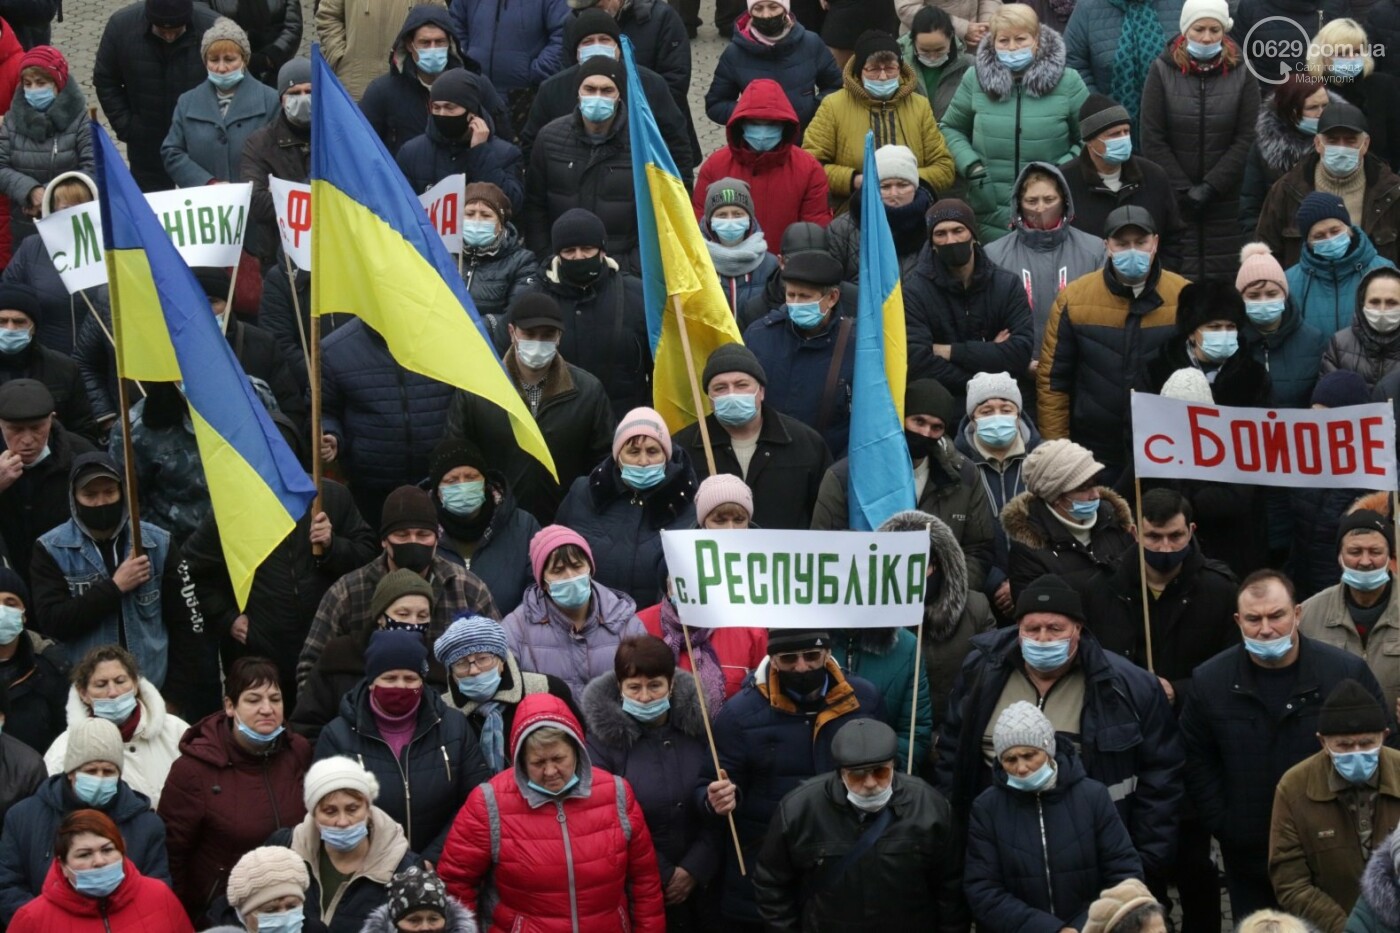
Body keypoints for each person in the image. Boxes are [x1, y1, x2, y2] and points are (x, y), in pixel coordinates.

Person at [935, 574, 1181, 887]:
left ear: (1078, 629)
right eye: (1032, 629)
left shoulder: (1127, 687)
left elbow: (1161, 775)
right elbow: (951, 754)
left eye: (1055, 628)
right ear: (1018, 630)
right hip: (1002, 855)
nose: (1043, 639)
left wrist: (1144, 862)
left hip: (1093, 858)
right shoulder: (980, 673)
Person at [1182, 569, 1394, 918]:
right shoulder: (1210, 682)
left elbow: (1385, 748)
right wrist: (1225, 822)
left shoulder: (1344, 673)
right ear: (1238, 621)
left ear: (1297, 614)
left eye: (1276, 616)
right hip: (1250, 856)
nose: (1266, 629)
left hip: (1332, 854)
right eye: (1254, 619)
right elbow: (1196, 759)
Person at [698, 629, 883, 927]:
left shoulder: (863, 700)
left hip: (843, 862)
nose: (801, 667)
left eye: (811, 656)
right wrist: (717, 799)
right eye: (788, 659)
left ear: (826, 654)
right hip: (766, 867)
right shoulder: (739, 715)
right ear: (772, 660)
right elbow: (708, 784)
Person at [439, 692, 666, 928]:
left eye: (559, 758)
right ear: (520, 759)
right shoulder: (489, 802)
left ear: (577, 750)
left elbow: (644, 883)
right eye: (537, 763)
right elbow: (456, 883)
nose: (550, 772)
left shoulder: (616, 793)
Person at [182, 475, 377, 713]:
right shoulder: (234, 508)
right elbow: (191, 571)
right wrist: (227, 617)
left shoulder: (331, 497)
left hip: (324, 657)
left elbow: (368, 558)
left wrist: (333, 546)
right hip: (259, 659)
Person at [752, 718, 967, 930]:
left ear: (893, 766)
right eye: (857, 775)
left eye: (880, 772)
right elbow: (772, 884)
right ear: (841, 774)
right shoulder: (800, 810)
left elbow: (951, 890)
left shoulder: (930, 808)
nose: (871, 783)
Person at [295, 485, 499, 690]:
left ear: (437, 539)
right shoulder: (347, 593)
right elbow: (310, 669)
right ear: (384, 540)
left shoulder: (468, 589)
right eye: (402, 534)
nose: (413, 541)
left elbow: (501, 657)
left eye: (422, 534)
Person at [964, 701, 1145, 930]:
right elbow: (982, 890)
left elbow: (1125, 874)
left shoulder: (1092, 797)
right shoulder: (987, 808)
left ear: (1049, 750)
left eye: (1029, 755)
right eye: (1010, 759)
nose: (1021, 768)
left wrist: (1083, 927)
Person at [155, 658, 311, 921]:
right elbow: (173, 856)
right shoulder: (193, 770)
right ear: (230, 706)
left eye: (275, 699)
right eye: (253, 700)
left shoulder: (298, 752)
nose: (267, 709)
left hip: (291, 909)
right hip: (222, 915)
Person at [315, 629, 492, 862]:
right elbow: (327, 811)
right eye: (389, 679)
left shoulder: (453, 726)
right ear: (371, 682)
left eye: (410, 679)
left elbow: (475, 800)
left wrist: (430, 859)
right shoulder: (337, 736)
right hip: (368, 870)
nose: (400, 687)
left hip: (441, 867)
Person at [1037, 205, 1187, 477]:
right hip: (1095, 450)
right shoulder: (1074, 299)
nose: (1132, 251)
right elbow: (1053, 382)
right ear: (1107, 246)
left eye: (1140, 242)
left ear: (1155, 243)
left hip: (1168, 447)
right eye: (1122, 243)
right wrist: (1057, 450)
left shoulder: (1184, 296)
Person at [810, 378, 997, 590]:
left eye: (936, 427)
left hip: (938, 601)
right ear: (901, 418)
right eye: (919, 421)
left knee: (977, 607)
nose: (926, 433)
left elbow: (978, 549)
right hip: (861, 594)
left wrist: (943, 585)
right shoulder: (844, 477)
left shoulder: (964, 475)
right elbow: (824, 548)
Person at [445, 292, 613, 525]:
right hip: (497, 524)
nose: (538, 343)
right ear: (512, 332)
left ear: (559, 337)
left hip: (566, 525)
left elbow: (602, 463)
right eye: (530, 334)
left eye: (547, 335)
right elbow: (455, 454)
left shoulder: (588, 392)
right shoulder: (479, 390)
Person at [582, 636, 715, 928]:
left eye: (654, 685)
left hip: (706, 885)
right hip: (638, 889)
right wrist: (665, 873)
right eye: (634, 687)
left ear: (671, 685)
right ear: (620, 688)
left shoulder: (700, 730)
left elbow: (716, 801)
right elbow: (606, 820)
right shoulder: (602, 745)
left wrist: (695, 866)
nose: (644, 697)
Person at [29, 453, 181, 691]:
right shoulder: (51, 549)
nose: (101, 502)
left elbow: (184, 624)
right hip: (86, 696)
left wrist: (175, 696)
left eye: (109, 492)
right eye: (90, 495)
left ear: (122, 492)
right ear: (74, 497)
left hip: (152, 691)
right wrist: (114, 587)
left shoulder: (157, 543)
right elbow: (53, 621)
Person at [941, 6, 1089, 242]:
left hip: (1049, 206)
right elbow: (951, 128)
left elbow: (1088, 138)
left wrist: (1059, 171)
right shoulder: (974, 79)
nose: (1012, 47)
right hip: (989, 210)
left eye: (1020, 39)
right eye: (1004, 40)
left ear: (1037, 40)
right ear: (992, 42)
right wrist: (973, 168)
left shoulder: (1068, 81)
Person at [0, 718, 169, 924]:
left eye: (108, 771)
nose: (99, 778)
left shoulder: (146, 824)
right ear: (70, 772)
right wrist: (46, 922)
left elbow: (156, 890)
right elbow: (7, 885)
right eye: (90, 771)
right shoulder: (23, 818)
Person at [1139, 0, 1259, 280]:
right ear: (1185, 30)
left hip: (1227, 201)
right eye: (1199, 29)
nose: (1206, 37)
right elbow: (1152, 137)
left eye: (1214, 30)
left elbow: (1248, 137)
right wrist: (1182, 189)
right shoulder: (1161, 70)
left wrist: (1211, 187)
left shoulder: (1242, 72)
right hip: (1177, 201)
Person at [1270, 679, 1400, 931]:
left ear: (1384, 736)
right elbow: (1290, 881)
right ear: (1323, 742)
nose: (1356, 752)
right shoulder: (1294, 788)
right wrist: (1349, 928)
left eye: (1366, 743)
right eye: (1344, 745)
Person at [673, 343, 832, 530]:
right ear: (709, 399)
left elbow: (825, 518)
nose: (732, 394)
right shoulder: (683, 449)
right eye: (720, 388)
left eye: (741, 385)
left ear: (761, 392)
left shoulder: (806, 444)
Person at [319, 317, 457, 528]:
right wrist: (331, 434)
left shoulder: (446, 337)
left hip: (440, 485)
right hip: (370, 492)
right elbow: (324, 410)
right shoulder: (335, 349)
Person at [555, 409, 699, 604]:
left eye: (652, 451)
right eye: (633, 452)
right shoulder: (583, 493)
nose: (643, 461)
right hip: (594, 623)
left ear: (666, 455)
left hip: (659, 628)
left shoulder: (691, 503)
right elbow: (556, 555)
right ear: (618, 456)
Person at [802, 29, 955, 212]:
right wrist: (856, 180)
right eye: (874, 69)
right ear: (860, 71)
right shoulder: (833, 106)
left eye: (890, 68)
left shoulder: (919, 106)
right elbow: (811, 164)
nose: (883, 77)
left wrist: (904, 180)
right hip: (853, 212)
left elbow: (944, 167)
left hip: (912, 212)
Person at [518, 9, 690, 172]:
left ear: (618, 46)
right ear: (576, 51)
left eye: (604, 39)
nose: (597, 46)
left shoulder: (650, 84)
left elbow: (676, 143)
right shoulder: (552, 89)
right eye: (588, 42)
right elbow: (532, 146)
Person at [904, 197, 1036, 393]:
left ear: (973, 235)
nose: (950, 240)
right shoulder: (914, 291)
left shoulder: (1007, 284)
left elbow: (1019, 353)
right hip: (945, 405)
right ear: (931, 243)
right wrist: (983, 371)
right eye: (941, 234)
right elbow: (917, 360)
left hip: (1002, 402)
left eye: (958, 230)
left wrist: (948, 351)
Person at [293, 570, 442, 743]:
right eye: (403, 614)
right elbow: (308, 726)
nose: (413, 623)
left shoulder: (438, 663)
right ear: (380, 616)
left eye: (422, 616)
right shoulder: (340, 656)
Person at [529, 209, 651, 419]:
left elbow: (660, 365)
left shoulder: (637, 295)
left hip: (624, 425)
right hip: (556, 423)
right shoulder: (534, 298)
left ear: (602, 250)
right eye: (569, 251)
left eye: (587, 249)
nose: (578, 257)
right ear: (558, 254)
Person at [502, 525, 647, 700]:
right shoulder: (516, 629)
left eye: (577, 566)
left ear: (590, 568)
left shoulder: (625, 621)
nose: (570, 576)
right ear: (544, 581)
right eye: (558, 570)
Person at [274, 756, 418, 933]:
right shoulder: (285, 849)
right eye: (330, 811)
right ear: (314, 815)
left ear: (368, 809)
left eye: (352, 809)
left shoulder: (405, 870)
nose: (342, 822)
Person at [523, 59, 639, 273]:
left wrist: (632, 265)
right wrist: (546, 258)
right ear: (578, 93)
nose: (597, 96)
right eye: (590, 89)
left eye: (606, 90)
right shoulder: (549, 138)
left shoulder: (641, 143)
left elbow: (655, 216)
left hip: (621, 270)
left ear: (619, 94)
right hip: (561, 266)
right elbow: (534, 207)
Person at [984, 161, 1106, 362]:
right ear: (1018, 205)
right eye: (1032, 201)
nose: (1041, 208)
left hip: (1078, 366)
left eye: (1049, 199)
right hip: (1015, 369)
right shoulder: (994, 254)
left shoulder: (1094, 250)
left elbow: (1102, 315)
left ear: (1064, 201)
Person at [1257, 102, 1400, 273]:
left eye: (1350, 140)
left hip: (1374, 295)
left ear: (1366, 144)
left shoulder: (1391, 193)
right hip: (1305, 294)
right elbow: (1267, 254)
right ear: (1317, 143)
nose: (1341, 148)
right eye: (1332, 140)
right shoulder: (1287, 190)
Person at [92, 0, 221, 190]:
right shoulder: (121, 27)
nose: (169, 37)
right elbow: (105, 79)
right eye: (162, 31)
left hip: (201, 148)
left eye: (176, 32)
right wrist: (128, 127)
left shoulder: (212, 27)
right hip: (147, 148)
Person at [694, 78, 831, 255]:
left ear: (784, 125)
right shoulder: (715, 166)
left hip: (786, 273)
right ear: (741, 124)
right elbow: (699, 223)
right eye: (755, 123)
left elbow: (814, 231)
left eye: (771, 124)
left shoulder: (808, 169)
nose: (762, 131)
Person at [744, 249, 857, 458]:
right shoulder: (759, 336)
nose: (795, 303)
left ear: (832, 297)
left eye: (805, 297)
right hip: (769, 459)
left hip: (829, 462)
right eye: (791, 295)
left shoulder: (855, 343)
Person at [44, 646, 188, 807]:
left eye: (120, 681)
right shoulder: (65, 748)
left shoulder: (176, 730)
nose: (113, 692)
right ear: (83, 693)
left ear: (135, 684)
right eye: (101, 684)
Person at [7, 809, 190, 933]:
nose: (99, 861)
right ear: (62, 865)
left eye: (107, 850)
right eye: (84, 855)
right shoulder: (32, 919)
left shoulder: (159, 895)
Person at [434, 614, 577, 772]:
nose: (474, 670)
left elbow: (576, 748)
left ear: (501, 660)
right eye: (461, 664)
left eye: (483, 659)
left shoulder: (547, 689)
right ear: (451, 674)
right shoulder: (440, 711)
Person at [1060, 94, 1187, 268]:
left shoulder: (1153, 176)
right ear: (1090, 141)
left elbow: (1174, 236)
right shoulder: (1065, 182)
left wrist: (1159, 277)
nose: (1123, 139)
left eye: (1126, 132)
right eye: (1114, 134)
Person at [361, 7, 507, 157]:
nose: (433, 49)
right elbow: (363, 146)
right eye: (425, 42)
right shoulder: (382, 91)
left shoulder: (477, 84)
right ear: (409, 45)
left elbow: (505, 142)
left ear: (450, 43)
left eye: (439, 42)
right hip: (405, 176)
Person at [953, 372, 1041, 618]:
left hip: (1039, 585)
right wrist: (996, 582)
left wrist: (1025, 581)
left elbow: (1056, 529)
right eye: (987, 411)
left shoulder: (1044, 460)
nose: (997, 417)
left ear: (1018, 413)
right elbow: (955, 536)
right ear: (972, 417)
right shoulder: (956, 466)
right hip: (981, 593)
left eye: (1006, 408)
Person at [1000, 438, 1135, 595]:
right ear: (1055, 497)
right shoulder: (1029, 552)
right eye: (1084, 488)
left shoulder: (1115, 522)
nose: (1096, 495)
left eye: (1095, 483)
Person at [641, 549, 768, 711]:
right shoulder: (639, 625)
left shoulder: (749, 629)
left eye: (700, 580)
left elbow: (764, 692)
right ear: (667, 586)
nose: (692, 589)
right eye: (682, 581)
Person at [1300, 509, 1400, 713]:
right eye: (1355, 552)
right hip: (1334, 739)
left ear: (1390, 556)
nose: (1365, 562)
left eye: (1375, 552)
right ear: (1340, 557)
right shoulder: (1308, 614)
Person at [160, 18, 280, 188]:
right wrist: (208, 183)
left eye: (229, 59)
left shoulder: (271, 100)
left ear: (244, 60)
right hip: (206, 207)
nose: (221, 68)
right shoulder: (187, 102)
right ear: (205, 62)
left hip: (255, 205)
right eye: (214, 60)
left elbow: (281, 155)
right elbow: (172, 152)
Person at [426, 438, 538, 615]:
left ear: (485, 482)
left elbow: (538, 591)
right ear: (437, 490)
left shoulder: (523, 527)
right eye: (452, 481)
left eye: (471, 477)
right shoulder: (421, 532)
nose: (463, 486)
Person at [5, 172, 109, 360]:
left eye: (82, 207)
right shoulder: (31, 247)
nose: (74, 215)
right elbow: (9, 294)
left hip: (101, 360)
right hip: (45, 361)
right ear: (52, 210)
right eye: (66, 209)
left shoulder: (112, 248)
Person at [395, 68, 524, 214]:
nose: (442, 114)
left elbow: (512, 205)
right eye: (436, 108)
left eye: (450, 108)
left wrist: (480, 151)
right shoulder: (411, 152)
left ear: (472, 112)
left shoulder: (506, 153)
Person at [0, 378, 93, 579]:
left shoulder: (80, 455)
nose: (27, 440)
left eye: (36, 428)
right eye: (16, 430)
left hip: (67, 572)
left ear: (52, 419)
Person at [0, 46, 90, 247]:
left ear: (58, 84)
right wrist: (30, 191)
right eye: (28, 84)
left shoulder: (80, 121)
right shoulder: (12, 121)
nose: (33, 90)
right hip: (26, 227)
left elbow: (93, 168)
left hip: (72, 225)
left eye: (41, 83)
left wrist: (50, 195)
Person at [705, 0, 841, 130]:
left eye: (773, 7)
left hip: (805, 140)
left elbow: (835, 86)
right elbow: (716, 104)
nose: (766, 15)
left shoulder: (811, 43)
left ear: (785, 9)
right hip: (754, 145)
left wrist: (813, 109)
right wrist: (748, 113)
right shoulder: (734, 53)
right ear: (750, 12)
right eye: (758, 9)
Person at [1287, 191, 1397, 340]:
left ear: (1349, 228)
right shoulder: (1290, 281)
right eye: (1319, 236)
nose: (1330, 239)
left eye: (1335, 231)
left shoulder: (1382, 270)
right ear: (1307, 241)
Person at [1062, 0, 1184, 132]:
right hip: (1108, 131)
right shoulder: (1089, 7)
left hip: (1175, 128)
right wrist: (1100, 110)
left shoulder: (1181, 4)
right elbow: (1074, 62)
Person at [1147, 280, 1273, 407]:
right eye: (1214, 327)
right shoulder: (1156, 370)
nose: (1224, 333)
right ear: (1191, 333)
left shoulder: (1254, 376)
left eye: (1230, 327)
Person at [0, 282, 98, 443]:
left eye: (19, 322)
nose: (10, 329)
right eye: (2, 321)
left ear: (33, 327)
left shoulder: (64, 369)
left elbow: (84, 431)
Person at [1241, 74, 1335, 237]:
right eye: (1312, 108)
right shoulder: (1264, 147)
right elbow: (1251, 206)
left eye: (1325, 105)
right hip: (1284, 242)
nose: (1322, 113)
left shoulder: (1344, 142)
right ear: (1291, 111)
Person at [1238, 241, 1330, 408]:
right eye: (1253, 296)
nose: (1263, 301)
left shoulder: (1313, 340)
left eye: (1272, 293)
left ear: (1285, 294)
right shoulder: (1230, 341)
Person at [826, 144, 936, 282]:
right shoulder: (841, 229)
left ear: (915, 186)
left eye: (902, 185)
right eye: (884, 186)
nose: (893, 194)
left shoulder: (935, 225)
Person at [239, 57, 310, 266]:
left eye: (309, 91)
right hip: (280, 256)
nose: (303, 99)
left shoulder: (336, 137)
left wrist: (281, 194)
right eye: (295, 94)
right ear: (281, 99)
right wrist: (316, 195)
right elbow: (257, 204)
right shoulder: (260, 144)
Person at [1309, 18, 1400, 172]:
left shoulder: (1383, 87)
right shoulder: (1310, 91)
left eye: (1357, 52)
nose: (1351, 58)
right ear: (1323, 57)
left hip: (1379, 182)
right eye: (1342, 53)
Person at [0, 567, 69, 755]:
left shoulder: (51, 668)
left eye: (10, 603)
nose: (2, 611)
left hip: (36, 777)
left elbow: (65, 738)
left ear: (23, 615)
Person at [453, 182, 537, 330]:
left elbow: (518, 316)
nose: (477, 221)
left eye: (486, 215)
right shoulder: (444, 254)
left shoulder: (522, 262)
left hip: (490, 347)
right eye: (470, 214)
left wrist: (480, 326)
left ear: (501, 224)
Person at [316, 0, 436, 100]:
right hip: (354, 82)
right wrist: (340, 57)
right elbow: (328, 15)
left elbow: (437, 17)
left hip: (408, 82)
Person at [699, 177, 779, 316]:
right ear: (709, 221)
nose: (730, 221)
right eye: (722, 215)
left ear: (749, 218)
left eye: (737, 214)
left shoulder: (770, 265)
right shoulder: (696, 263)